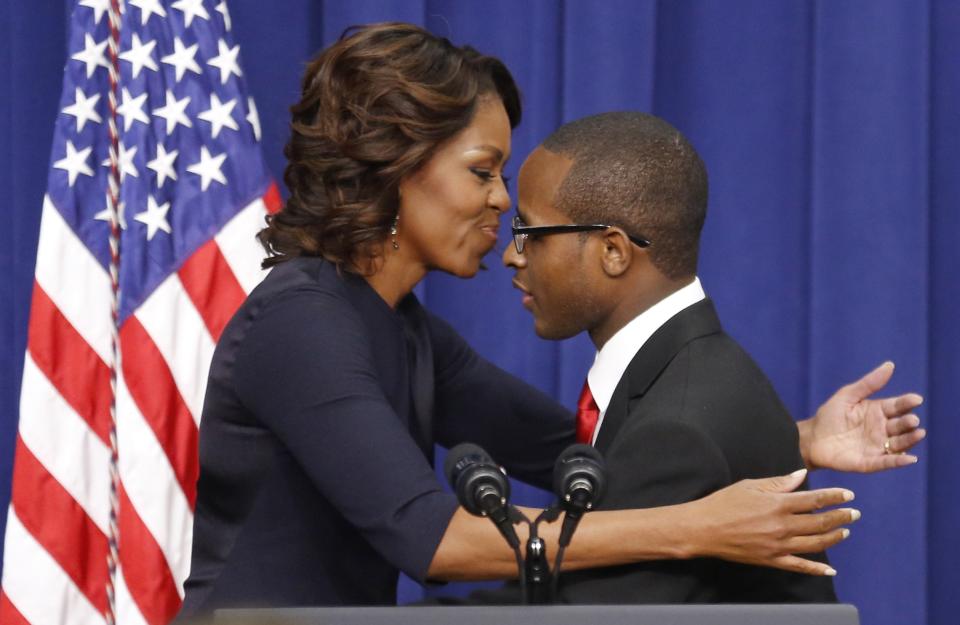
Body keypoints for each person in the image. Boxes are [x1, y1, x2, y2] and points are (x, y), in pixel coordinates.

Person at [178, 23, 923, 617]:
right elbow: (436, 539)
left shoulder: (402, 326)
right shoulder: (301, 321)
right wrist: (696, 527)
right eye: (482, 171)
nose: (504, 202)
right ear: (395, 167)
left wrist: (790, 438)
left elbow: (570, 447)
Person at [501, 111, 925, 603]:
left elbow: (572, 609)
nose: (514, 254)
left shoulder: (676, 429)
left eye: (529, 230)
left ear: (613, 251)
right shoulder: (694, 374)